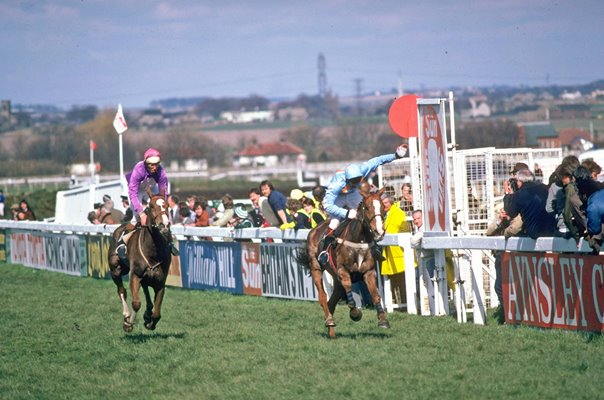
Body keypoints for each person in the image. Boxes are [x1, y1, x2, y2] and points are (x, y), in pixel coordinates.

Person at [318, 144, 408, 266]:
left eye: (358, 181)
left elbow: (378, 160)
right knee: (335, 222)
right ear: (347, 180)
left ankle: (374, 247)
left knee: (364, 215)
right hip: (338, 198)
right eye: (353, 182)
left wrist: (396, 155)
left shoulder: (362, 169)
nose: (356, 183)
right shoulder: (336, 185)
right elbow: (327, 205)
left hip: (352, 194)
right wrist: (346, 213)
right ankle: (325, 251)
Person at [114, 148, 178, 263]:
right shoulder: (138, 170)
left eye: (156, 164)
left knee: (161, 213)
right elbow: (132, 194)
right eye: (151, 165)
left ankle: (169, 242)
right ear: (145, 163)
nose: (154, 167)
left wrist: (162, 205)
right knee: (136, 218)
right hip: (136, 191)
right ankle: (122, 243)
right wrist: (141, 213)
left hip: (150, 188)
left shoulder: (161, 172)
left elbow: (164, 192)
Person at [504, 169, 555, 239]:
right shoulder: (545, 188)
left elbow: (510, 213)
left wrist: (508, 194)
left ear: (519, 182)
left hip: (534, 233)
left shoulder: (519, 194)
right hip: (551, 229)